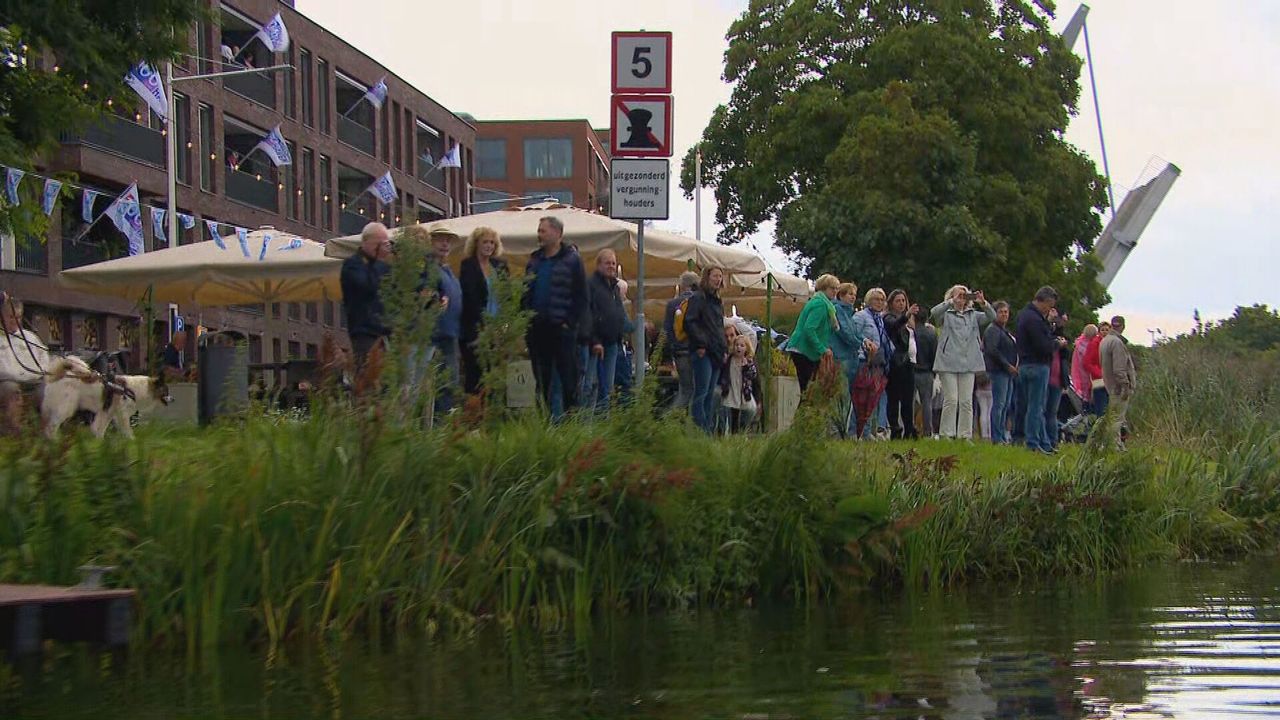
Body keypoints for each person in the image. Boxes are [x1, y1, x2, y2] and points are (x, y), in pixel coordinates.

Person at [522, 216, 589, 417]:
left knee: (568, 379)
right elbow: (526, 292)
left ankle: (570, 426)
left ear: (557, 234)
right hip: (538, 328)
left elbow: (581, 295)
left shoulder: (572, 260)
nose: (539, 234)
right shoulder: (534, 260)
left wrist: (570, 323)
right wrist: (525, 320)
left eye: (543, 230)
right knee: (542, 381)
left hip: (562, 329)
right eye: (539, 230)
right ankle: (544, 425)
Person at [930, 285, 996, 441]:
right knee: (951, 399)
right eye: (958, 295)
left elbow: (992, 317)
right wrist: (951, 302)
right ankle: (947, 434)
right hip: (948, 362)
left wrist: (983, 303)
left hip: (968, 362)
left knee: (966, 401)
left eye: (964, 295)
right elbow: (933, 313)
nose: (962, 298)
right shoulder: (946, 314)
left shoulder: (973, 315)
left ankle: (965, 435)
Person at [1015, 286, 1067, 454]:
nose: (1049, 309)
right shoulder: (1035, 320)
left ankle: (1044, 443)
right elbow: (1042, 346)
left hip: (1024, 365)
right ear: (1043, 301)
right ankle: (1033, 442)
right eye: (1049, 305)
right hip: (1037, 365)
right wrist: (1057, 344)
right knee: (1036, 407)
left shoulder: (1024, 315)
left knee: (1031, 406)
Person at [459, 226, 508, 395]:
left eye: (492, 243)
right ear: (476, 244)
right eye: (485, 242)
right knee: (475, 375)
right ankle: (474, 415)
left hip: (498, 328)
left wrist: (501, 326)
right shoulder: (468, 266)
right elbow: (470, 299)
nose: (489, 246)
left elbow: (506, 296)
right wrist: (484, 328)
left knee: (494, 374)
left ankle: (492, 413)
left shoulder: (500, 266)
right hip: (475, 330)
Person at [418, 227, 463, 414]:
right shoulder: (426, 267)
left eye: (448, 241)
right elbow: (422, 291)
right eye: (440, 240)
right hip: (433, 333)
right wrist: (436, 297)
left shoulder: (447, 269)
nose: (445, 244)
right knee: (437, 382)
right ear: (430, 242)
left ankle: (441, 422)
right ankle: (434, 423)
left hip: (450, 332)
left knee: (450, 381)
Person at [340, 222, 392, 371]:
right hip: (365, 332)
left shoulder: (384, 267)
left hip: (386, 333)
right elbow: (368, 287)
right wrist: (380, 261)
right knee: (369, 378)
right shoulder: (353, 265)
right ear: (367, 242)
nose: (384, 248)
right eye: (380, 244)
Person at [584, 249, 628, 412]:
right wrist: (594, 339)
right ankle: (585, 423)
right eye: (607, 263)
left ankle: (603, 422)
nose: (611, 266)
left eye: (613, 263)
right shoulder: (590, 285)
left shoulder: (614, 287)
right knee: (589, 386)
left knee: (607, 388)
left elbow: (618, 313)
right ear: (598, 264)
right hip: (595, 343)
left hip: (612, 343)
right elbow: (587, 313)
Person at [830, 282, 876, 438]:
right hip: (840, 356)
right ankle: (837, 432)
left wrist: (864, 340)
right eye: (849, 294)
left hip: (851, 358)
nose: (852, 298)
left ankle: (844, 432)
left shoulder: (849, 313)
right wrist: (861, 343)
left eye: (854, 295)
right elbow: (846, 333)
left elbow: (855, 332)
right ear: (841, 295)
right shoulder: (837, 310)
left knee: (849, 397)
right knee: (841, 396)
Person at [684, 267, 727, 433]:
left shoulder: (717, 301)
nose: (717, 280)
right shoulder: (698, 298)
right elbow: (690, 322)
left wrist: (723, 348)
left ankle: (706, 430)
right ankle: (700, 430)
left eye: (720, 277)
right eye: (715, 276)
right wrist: (700, 344)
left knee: (710, 394)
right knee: (701, 393)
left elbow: (719, 327)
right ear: (707, 278)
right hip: (703, 351)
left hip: (716, 350)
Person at [787, 274, 841, 393]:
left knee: (807, 388)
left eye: (837, 288)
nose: (835, 291)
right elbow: (809, 329)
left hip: (807, 350)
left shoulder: (824, 304)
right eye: (832, 288)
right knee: (806, 389)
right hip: (804, 350)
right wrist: (822, 349)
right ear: (824, 288)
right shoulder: (821, 304)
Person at [850, 288, 892, 438]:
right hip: (863, 359)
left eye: (882, 300)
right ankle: (854, 431)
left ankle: (866, 432)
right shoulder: (861, 316)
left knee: (872, 399)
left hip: (877, 362)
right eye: (876, 299)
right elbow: (854, 333)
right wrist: (865, 343)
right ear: (869, 300)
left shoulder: (879, 319)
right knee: (860, 398)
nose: (880, 302)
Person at [883, 289, 917, 440]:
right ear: (891, 303)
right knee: (894, 399)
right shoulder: (888, 317)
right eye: (898, 301)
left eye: (903, 301)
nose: (901, 304)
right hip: (895, 363)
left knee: (908, 399)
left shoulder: (908, 322)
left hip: (907, 361)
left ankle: (909, 429)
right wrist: (907, 315)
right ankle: (895, 429)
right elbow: (894, 325)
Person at [983, 301, 1019, 444]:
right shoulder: (992, 330)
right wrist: (1007, 365)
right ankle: (996, 436)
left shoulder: (1005, 331)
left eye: (1006, 312)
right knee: (999, 404)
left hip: (1009, 372)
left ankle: (1002, 434)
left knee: (1006, 405)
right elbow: (992, 350)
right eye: (1001, 312)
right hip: (999, 371)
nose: (1004, 314)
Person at [664, 271, 700, 412]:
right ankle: (671, 420)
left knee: (685, 388)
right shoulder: (700, 301)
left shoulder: (672, 304)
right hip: (697, 350)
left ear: (682, 285)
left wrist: (673, 348)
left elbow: (667, 329)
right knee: (694, 390)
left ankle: (671, 421)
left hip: (679, 352)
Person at [1099, 315, 1136, 450]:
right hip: (1118, 386)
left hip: (1109, 384)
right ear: (1123, 326)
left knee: (1114, 416)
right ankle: (1113, 445)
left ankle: (1113, 444)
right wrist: (1125, 385)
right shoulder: (1117, 343)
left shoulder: (1104, 341)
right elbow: (1119, 368)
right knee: (1117, 418)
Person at [719, 334, 760, 433]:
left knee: (750, 409)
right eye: (737, 345)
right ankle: (730, 431)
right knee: (731, 412)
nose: (739, 347)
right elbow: (723, 371)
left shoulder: (749, 361)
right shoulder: (729, 359)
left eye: (742, 345)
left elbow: (752, 375)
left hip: (743, 392)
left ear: (746, 348)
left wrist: (746, 367)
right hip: (731, 389)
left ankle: (743, 428)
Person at [1044, 309, 1072, 450]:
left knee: (1052, 412)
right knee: (1044, 411)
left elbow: (1066, 356)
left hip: (1058, 379)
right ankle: (1045, 440)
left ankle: (1052, 441)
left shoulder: (1062, 348)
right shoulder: (1047, 339)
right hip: (1046, 378)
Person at [910, 307, 938, 439]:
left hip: (912, 370)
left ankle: (909, 428)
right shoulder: (931, 334)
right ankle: (928, 431)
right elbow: (934, 353)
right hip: (927, 371)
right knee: (927, 402)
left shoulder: (911, 332)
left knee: (909, 402)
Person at [1071, 324, 1099, 414]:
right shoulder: (1090, 345)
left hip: (1077, 371)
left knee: (1083, 396)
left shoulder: (1079, 343)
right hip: (1088, 374)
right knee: (1088, 396)